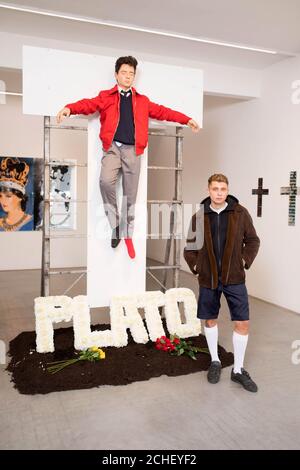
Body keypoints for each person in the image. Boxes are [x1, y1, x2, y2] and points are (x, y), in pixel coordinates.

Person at [57, 56, 200, 259]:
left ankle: (128, 235)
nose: (127, 76)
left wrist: (187, 120)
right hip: (113, 148)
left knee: (130, 196)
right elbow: (88, 104)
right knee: (105, 182)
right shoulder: (106, 96)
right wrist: (69, 108)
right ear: (116, 75)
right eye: (124, 72)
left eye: (131, 73)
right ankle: (115, 225)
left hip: (133, 151)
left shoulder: (142, 101)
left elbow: (164, 112)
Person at [184, 174, 260, 392]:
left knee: (242, 322)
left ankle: (238, 370)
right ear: (208, 190)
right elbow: (190, 246)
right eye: (215, 188)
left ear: (227, 190)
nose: (219, 192)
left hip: (234, 277)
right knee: (209, 320)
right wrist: (197, 266)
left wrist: (244, 260)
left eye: (223, 189)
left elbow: (253, 240)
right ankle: (215, 361)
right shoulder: (199, 216)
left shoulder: (240, 213)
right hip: (209, 278)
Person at [0, 157, 33, 232]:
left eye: (8, 196)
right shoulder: (0, 222)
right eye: (0, 196)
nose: (2, 200)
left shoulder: (31, 221)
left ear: (20, 197)